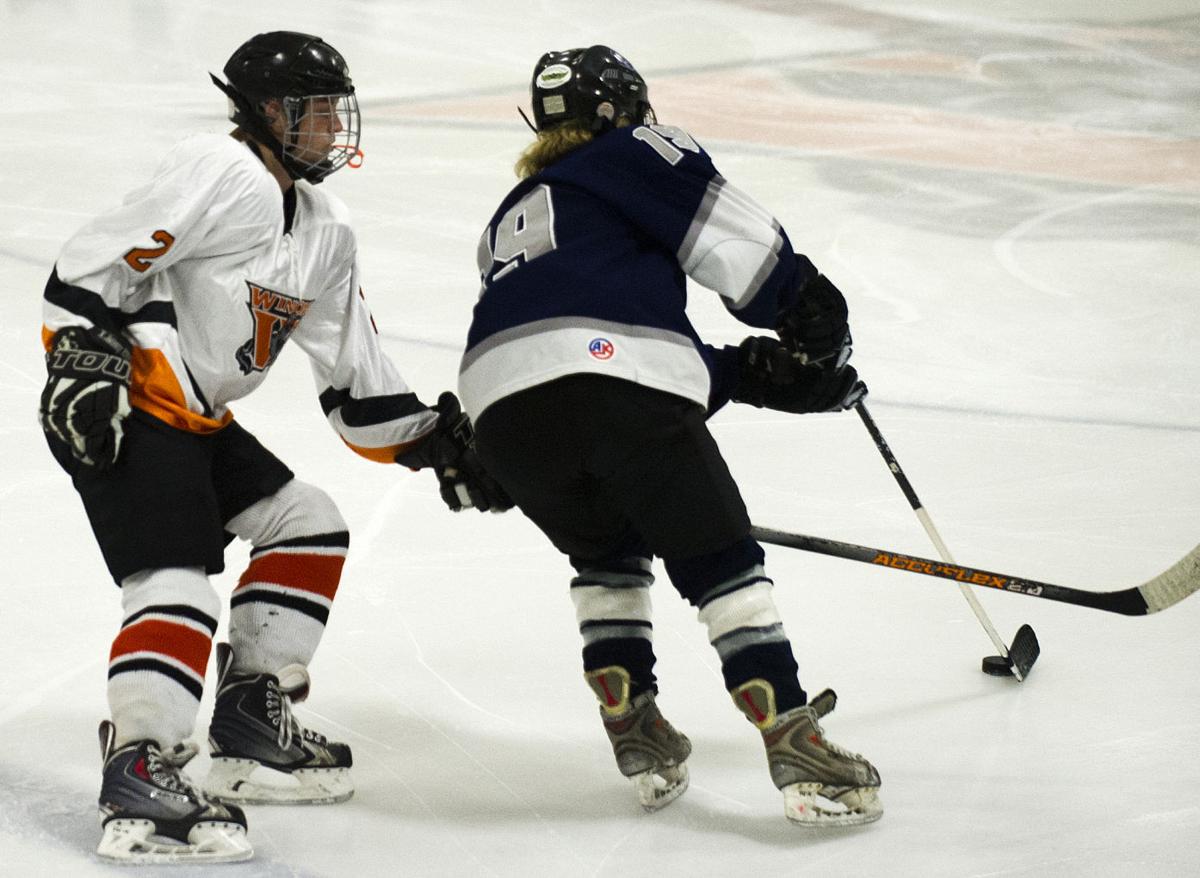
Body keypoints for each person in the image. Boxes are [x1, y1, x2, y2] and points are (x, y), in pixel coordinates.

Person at [38, 31, 509, 865]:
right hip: (135, 405)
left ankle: (252, 719)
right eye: (313, 109)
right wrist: (78, 362)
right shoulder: (222, 170)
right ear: (262, 112)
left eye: (335, 107)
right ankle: (140, 761)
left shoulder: (327, 227)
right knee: (177, 582)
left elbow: (356, 384)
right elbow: (91, 265)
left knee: (309, 523)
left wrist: (444, 447)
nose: (333, 125)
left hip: (202, 422)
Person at [459, 45, 882, 827]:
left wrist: (752, 377)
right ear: (621, 111)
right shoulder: (637, 151)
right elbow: (734, 252)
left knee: (609, 550)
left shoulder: (515, 213)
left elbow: (589, 343)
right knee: (720, 560)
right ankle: (792, 734)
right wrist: (809, 315)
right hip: (610, 386)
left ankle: (637, 726)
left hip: (499, 413)